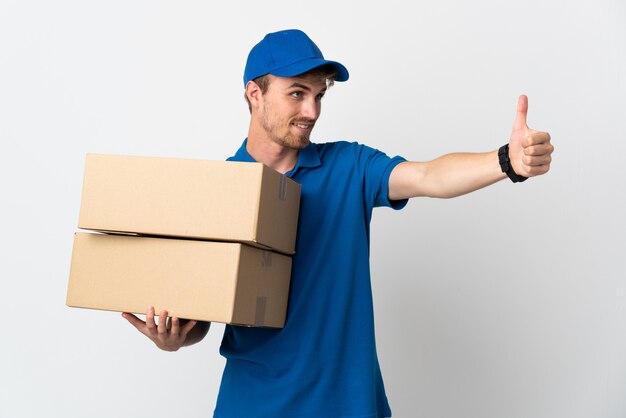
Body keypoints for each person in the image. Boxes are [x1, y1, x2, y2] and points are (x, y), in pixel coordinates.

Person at [122, 29, 553, 417]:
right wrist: (174, 338)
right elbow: (201, 315)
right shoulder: (219, 189)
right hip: (253, 404)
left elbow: (428, 176)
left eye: (319, 95)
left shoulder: (348, 166)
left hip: (348, 405)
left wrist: (506, 162)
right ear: (255, 94)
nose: (312, 110)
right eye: (296, 93)